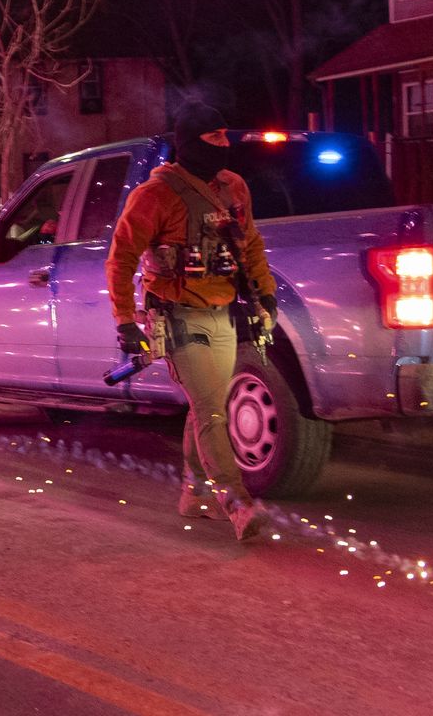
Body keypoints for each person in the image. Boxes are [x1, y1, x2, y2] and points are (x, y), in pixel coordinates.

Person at [105, 106, 278, 542]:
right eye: (213, 138)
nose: (223, 146)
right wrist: (126, 320)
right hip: (179, 316)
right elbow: (121, 257)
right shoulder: (154, 195)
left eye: (225, 136)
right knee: (212, 410)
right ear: (189, 143)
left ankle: (193, 493)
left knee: (208, 407)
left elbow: (249, 243)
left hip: (223, 312)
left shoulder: (232, 188)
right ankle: (237, 503)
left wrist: (265, 292)